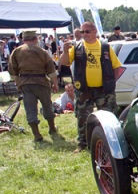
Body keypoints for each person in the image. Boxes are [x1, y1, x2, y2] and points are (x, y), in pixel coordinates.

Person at [59, 22, 123, 152]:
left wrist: (111, 82)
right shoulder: (77, 47)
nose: (84, 34)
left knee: (108, 116)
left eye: (87, 31)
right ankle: (82, 144)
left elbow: (117, 67)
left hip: (103, 90)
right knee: (82, 116)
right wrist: (65, 51)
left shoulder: (105, 47)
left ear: (95, 32)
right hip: (84, 89)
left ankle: (108, 142)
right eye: (82, 32)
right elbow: (65, 62)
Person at [7, 30, 58, 141]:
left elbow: (13, 70)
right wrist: (55, 84)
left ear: (23, 39)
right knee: (47, 106)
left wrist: (17, 83)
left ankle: (37, 134)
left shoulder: (16, 52)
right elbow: (51, 69)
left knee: (30, 108)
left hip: (25, 83)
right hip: (41, 83)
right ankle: (52, 128)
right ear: (35, 39)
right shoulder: (42, 51)